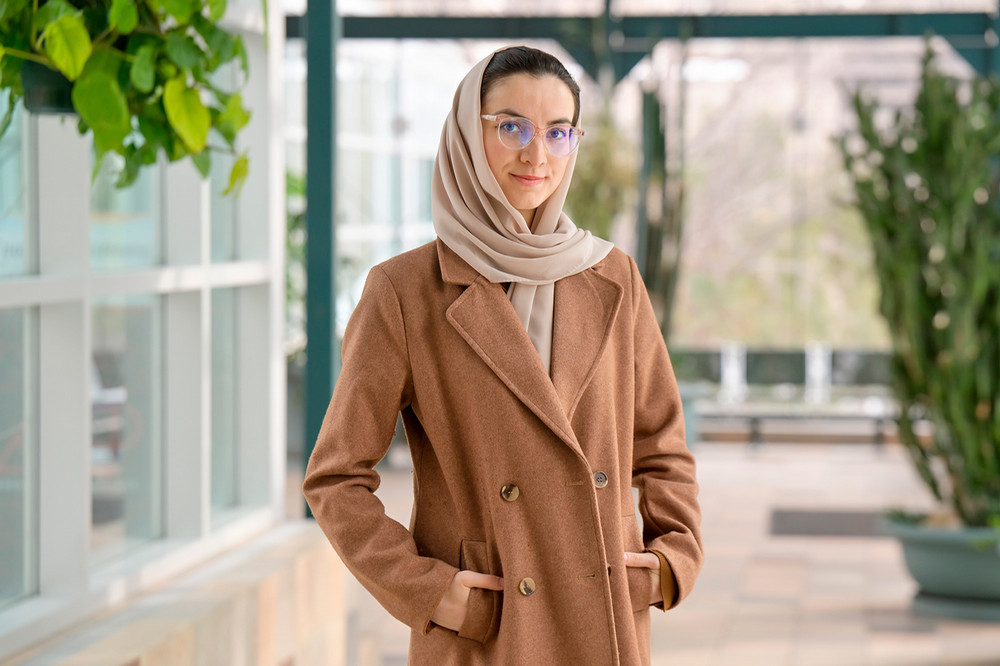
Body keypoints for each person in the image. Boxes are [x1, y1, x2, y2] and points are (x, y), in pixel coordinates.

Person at [303, 45, 703, 665]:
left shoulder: (613, 276)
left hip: (604, 617)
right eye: (511, 126)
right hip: (488, 629)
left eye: (558, 132)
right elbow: (335, 478)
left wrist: (672, 562)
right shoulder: (405, 291)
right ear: (467, 131)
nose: (535, 154)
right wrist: (431, 593)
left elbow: (661, 444)